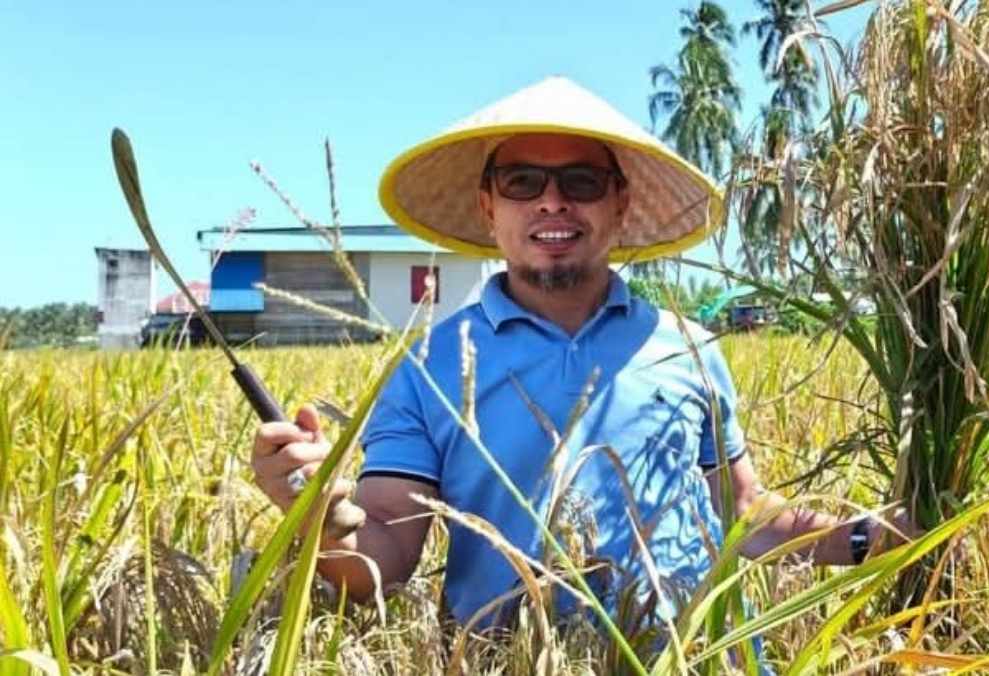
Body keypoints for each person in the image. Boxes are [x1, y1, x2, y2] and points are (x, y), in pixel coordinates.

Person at [250, 77, 911, 632]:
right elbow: (384, 557)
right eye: (522, 180)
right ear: (487, 205)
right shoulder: (429, 369)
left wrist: (870, 538)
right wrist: (317, 519)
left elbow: (742, 514)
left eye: (582, 181)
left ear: (621, 203)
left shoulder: (689, 347)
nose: (552, 200)